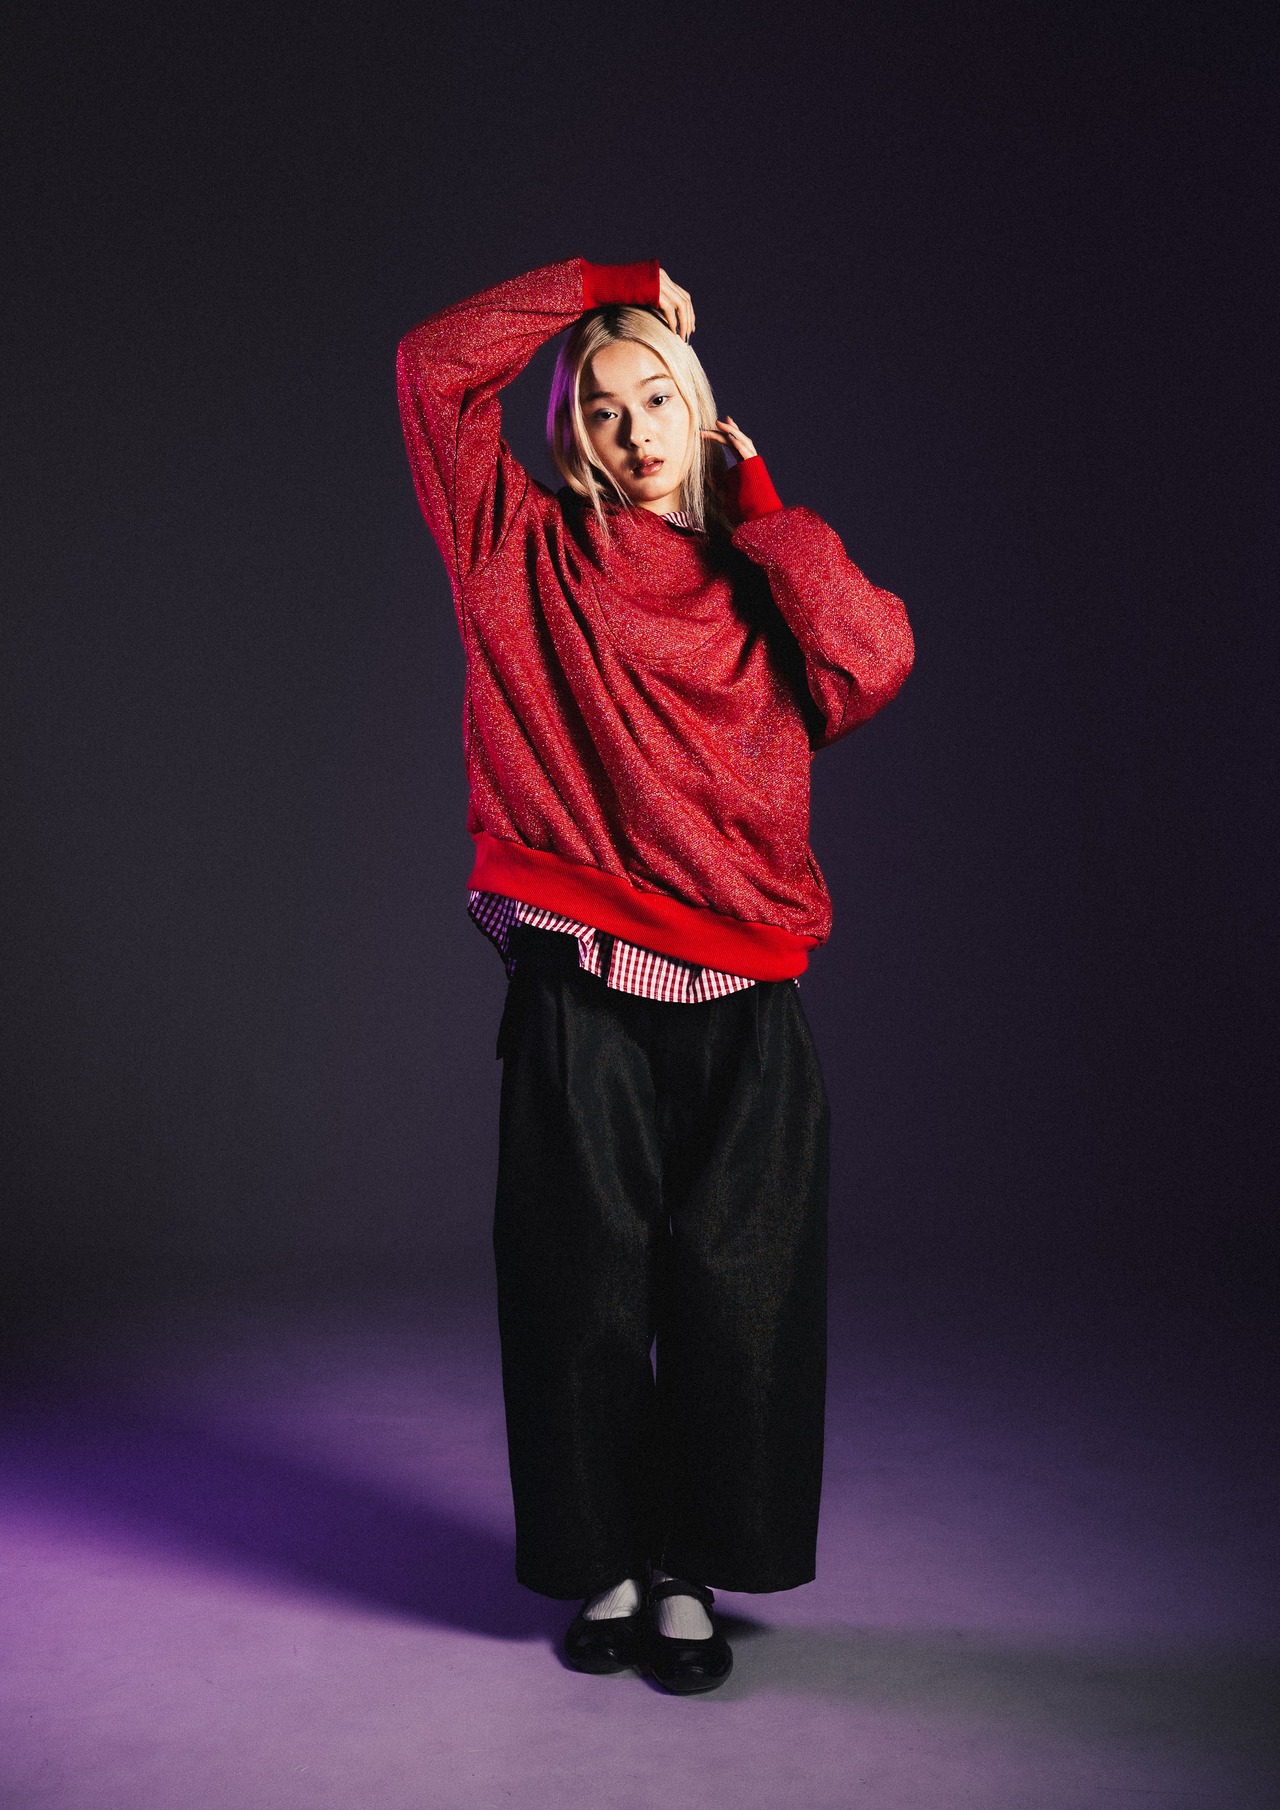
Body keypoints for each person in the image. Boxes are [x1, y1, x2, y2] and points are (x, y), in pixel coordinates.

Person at [396, 257, 913, 1694]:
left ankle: (690, 1563)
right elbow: (432, 368)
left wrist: (769, 514)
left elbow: (873, 660)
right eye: (603, 408)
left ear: (701, 410)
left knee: (740, 1299)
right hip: (581, 985)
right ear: (572, 431)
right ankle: (606, 1564)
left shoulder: (766, 576)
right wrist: (602, 284)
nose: (633, 433)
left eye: (657, 402)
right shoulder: (519, 550)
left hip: (746, 997)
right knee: (580, 1289)